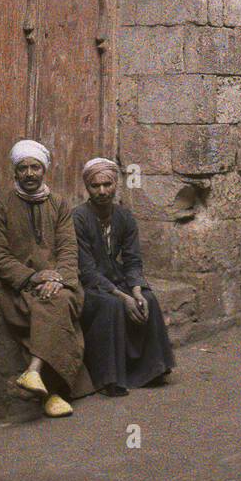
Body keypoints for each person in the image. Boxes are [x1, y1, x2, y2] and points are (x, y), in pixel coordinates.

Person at [0, 140, 92, 418]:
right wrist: (34, 277)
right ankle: (55, 393)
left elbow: (69, 248)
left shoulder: (59, 205)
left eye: (35, 167)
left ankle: (34, 372)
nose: (30, 173)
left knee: (60, 299)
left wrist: (59, 279)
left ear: (44, 171)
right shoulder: (1, 207)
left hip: (60, 282)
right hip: (19, 286)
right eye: (24, 168)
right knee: (50, 306)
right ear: (15, 173)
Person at [71, 157, 175, 396]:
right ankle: (110, 378)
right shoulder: (78, 218)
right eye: (95, 186)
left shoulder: (124, 217)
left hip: (116, 276)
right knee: (113, 305)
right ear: (87, 188)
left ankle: (151, 369)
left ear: (115, 184)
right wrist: (122, 295)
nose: (102, 191)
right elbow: (86, 269)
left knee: (148, 299)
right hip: (90, 283)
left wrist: (136, 291)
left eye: (107, 185)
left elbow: (133, 261)